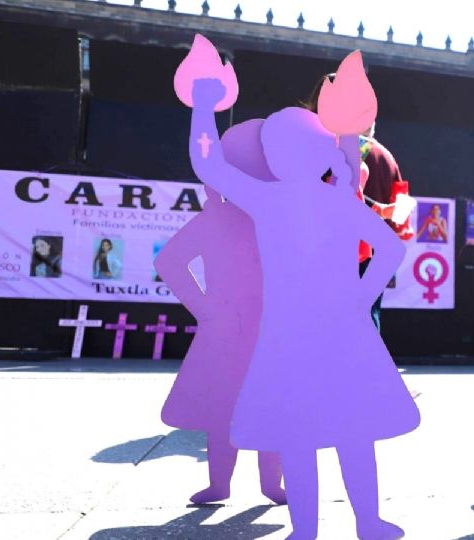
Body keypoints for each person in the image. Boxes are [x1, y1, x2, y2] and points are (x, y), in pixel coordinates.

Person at [189, 77, 418, 540]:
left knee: (299, 432)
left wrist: (204, 107)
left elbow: (207, 163)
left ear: (275, 158)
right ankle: (366, 521)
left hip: (288, 335)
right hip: (339, 330)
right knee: (351, 428)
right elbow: (390, 250)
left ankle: (307, 528)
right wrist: (358, 297)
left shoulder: (268, 198)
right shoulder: (339, 200)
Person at [154, 119, 285, 506]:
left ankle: (270, 484)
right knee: (224, 406)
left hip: (270, 330)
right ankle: (222, 484)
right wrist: (206, 309)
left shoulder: (277, 221)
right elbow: (170, 262)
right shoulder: (217, 219)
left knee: (268, 404)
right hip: (229, 332)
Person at [305, 73, 411, 331]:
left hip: (327, 250)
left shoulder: (320, 146)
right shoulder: (387, 158)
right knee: (365, 321)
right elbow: (402, 215)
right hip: (371, 253)